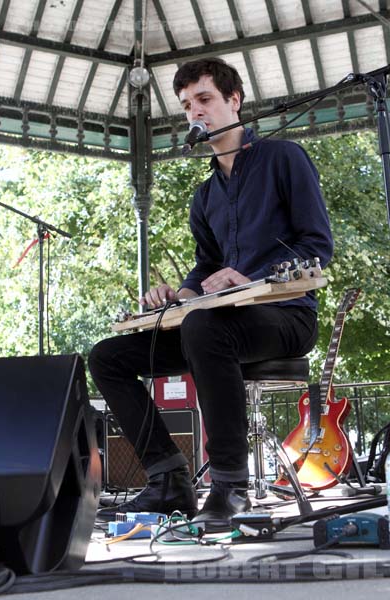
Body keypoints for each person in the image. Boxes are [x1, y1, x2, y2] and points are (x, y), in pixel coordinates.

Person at [89, 57, 333, 529]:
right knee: (107, 357)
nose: (194, 113)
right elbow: (207, 266)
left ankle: (229, 486)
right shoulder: (204, 197)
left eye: (204, 99)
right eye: (185, 105)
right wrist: (178, 293)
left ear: (234, 101)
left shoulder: (284, 158)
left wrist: (250, 276)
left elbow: (316, 245)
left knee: (204, 326)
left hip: (286, 317)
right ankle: (167, 479)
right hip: (218, 324)